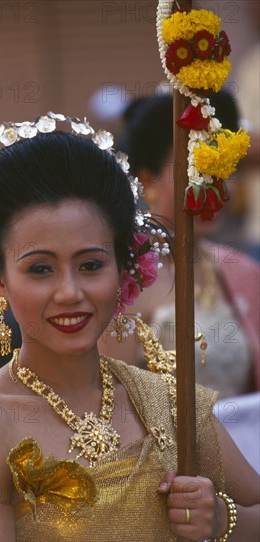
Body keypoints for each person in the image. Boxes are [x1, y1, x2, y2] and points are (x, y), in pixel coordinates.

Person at [0, 115, 259, 542]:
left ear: (123, 266)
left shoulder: (170, 401)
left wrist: (220, 518)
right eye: (40, 269)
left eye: (90, 265)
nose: (70, 292)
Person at [99, 92, 260, 399]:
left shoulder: (245, 272)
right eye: (197, 171)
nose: (215, 188)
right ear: (148, 179)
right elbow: (110, 402)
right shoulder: (122, 278)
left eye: (223, 170)